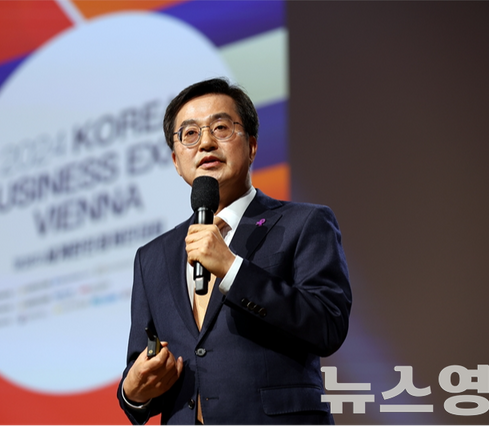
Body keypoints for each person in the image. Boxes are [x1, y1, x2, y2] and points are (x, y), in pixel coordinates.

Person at [117, 78, 352, 424]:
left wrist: (232, 270)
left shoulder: (304, 223)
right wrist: (132, 392)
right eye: (190, 133)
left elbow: (328, 324)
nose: (206, 143)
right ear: (176, 161)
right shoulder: (151, 257)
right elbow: (142, 366)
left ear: (252, 145)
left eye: (221, 128)